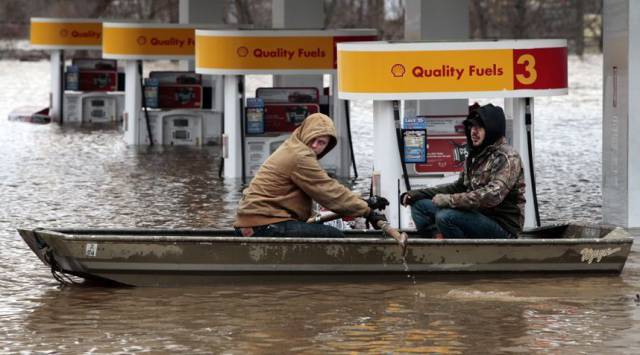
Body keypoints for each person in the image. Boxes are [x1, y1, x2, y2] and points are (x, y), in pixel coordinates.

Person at [234, 113, 387, 237]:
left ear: (328, 146)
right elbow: (329, 192)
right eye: (312, 139)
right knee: (334, 236)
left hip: (254, 223)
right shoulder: (300, 156)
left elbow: (328, 190)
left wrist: (364, 202)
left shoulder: (292, 147)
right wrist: (368, 212)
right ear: (304, 133)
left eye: (321, 143)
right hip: (263, 225)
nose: (315, 145)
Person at [401, 104, 526, 239]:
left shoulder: (507, 157)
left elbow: (492, 196)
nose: (473, 131)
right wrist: (418, 194)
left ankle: (462, 252)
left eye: (479, 127)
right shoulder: (475, 155)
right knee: (419, 206)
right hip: (476, 216)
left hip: (502, 228)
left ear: (492, 129)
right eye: (472, 127)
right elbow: (459, 186)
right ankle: (438, 240)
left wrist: (450, 200)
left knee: (446, 217)